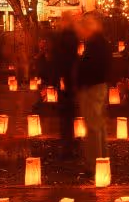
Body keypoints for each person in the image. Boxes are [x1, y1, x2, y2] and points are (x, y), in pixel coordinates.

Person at [74, 12, 110, 170]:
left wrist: (80, 75)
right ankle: (102, 159)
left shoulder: (95, 44)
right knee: (98, 126)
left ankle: (95, 164)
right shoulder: (100, 43)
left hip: (92, 88)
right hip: (98, 86)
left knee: (94, 127)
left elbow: (90, 67)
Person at [46, 10, 79, 152]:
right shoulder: (71, 36)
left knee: (66, 113)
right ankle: (68, 141)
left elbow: (61, 57)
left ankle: (67, 144)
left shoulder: (65, 36)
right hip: (68, 77)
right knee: (68, 112)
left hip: (65, 77)